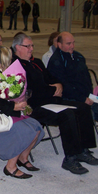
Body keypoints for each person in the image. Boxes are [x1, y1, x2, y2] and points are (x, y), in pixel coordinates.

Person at [12, 33, 97, 175]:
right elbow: (32, 90)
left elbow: (52, 78)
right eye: (28, 46)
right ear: (17, 47)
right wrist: (53, 88)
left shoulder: (36, 62)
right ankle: (70, 158)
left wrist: (58, 85)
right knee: (67, 115)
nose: (31, 49)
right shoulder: (15, 66)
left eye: (32, 45)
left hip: (50, 100)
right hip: (33, 106)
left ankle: (83, 149)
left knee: (83, 108)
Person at [0, 46, 44, 179]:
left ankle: (23, 158)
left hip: (4, 109)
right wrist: (14, 107)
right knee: (25, 130)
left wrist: (20, 100)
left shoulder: (4, 71)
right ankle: (10, 167)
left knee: (37, 127)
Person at [47, 32, 97, 121]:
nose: (72, 46)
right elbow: (64, 86)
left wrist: (91, 95)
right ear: (59, 45)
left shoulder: (78, 56)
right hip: (70, 97)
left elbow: (87, 77)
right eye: (68, 44)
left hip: (86, 95)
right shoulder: (56, 61)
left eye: (73, 43)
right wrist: (83, 99)